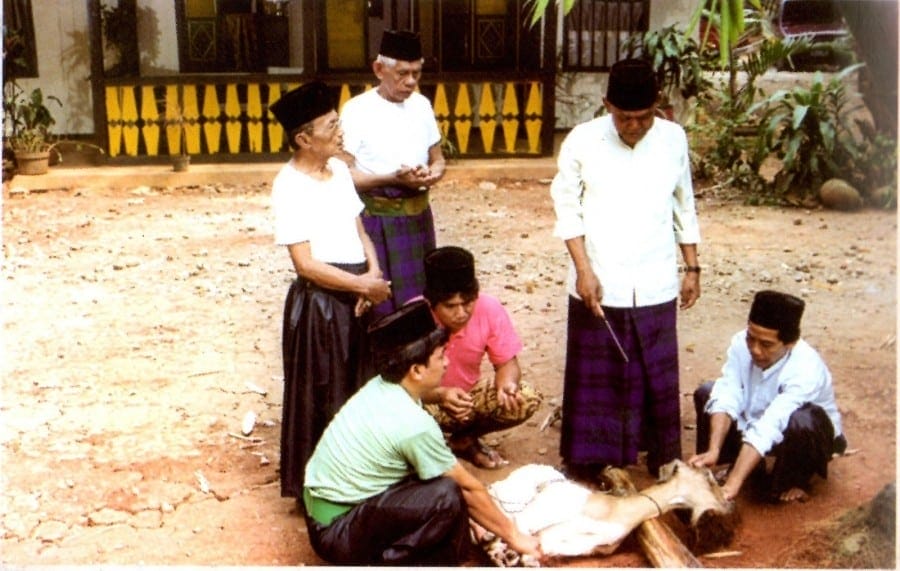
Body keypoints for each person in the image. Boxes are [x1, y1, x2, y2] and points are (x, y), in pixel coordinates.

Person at [549, 58, 702, 480]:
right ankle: (590, 458)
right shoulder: (582, 140)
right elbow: (567, 207)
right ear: (606, 105)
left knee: (654, 368)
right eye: (623, 117)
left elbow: (683, 203)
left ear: (657, 106)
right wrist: (583, 270)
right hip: (599, 275)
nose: (633, 126)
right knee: (599, 372)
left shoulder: (673, 139)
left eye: (643, 117)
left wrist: (692, 267)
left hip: (655, 278)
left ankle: (658, 450)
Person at [302, 300, 542, 565]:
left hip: (324, 514)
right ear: (416, 370)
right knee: (447, 495)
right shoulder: (413, 425)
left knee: (440, 488)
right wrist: (515, 536)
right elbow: (468, 488)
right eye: (441, 356)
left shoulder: (383, 386)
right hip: (337, 532)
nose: (447, 362)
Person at [269, 81, 392, 501]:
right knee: (324, 393)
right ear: (304, 138)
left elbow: (359, 229)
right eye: (332, 125)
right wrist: (363, 284)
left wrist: (373, 272)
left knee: (361, 389)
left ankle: (362, 477)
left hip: (360, 290)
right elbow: (305, 264)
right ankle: (324, 487)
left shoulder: (339, 171)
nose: (341, 132)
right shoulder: (288, 185)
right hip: (321, 303)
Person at [688, 290, 847, 503]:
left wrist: (733, 484)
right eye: (750, 339)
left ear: (789, 344)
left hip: (805, 433)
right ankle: (738, 462)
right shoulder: (739, 344)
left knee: (801, 420)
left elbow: (772, 422)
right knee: (709, 392)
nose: (755, 350)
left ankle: (797, 479)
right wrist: (713, 448)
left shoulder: (806, 368)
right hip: (756, 419)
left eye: (766, 344)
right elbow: (728, 391)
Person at [339, 29, 446, 318]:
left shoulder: (422, 106)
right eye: (402, 73)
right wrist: (390, 178)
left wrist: (430, 175)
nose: (410, 81)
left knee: (420, 304)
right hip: (377, 221)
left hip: (418, 218)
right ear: (379, 69)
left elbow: (439, 161)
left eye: (417, 73)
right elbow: (343, 175)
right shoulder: (357, 110)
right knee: (381, 308)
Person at [419, 246, 543, 469]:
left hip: (466, 400)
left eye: (467, 302)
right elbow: (399, 388)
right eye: (450, 306)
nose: (461, 313)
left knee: (525, 397)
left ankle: (464, 440)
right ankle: (425, 450)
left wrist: (507, 384)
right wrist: (440, 395)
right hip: (424, 402)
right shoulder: (413, 317)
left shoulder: (489, 308)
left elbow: (507, 363)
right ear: (431, 302)